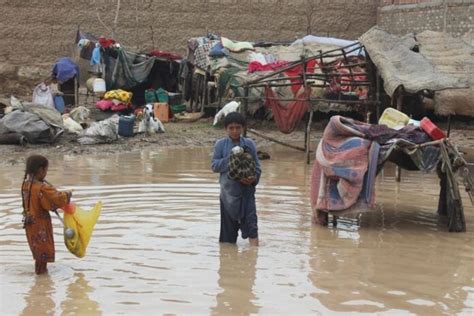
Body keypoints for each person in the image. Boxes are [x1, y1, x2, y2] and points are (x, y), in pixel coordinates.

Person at [211, 112, 261, 246]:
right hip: (228, 196)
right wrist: (232, 158)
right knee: (228, 237)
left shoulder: (249, 144)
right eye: (231, 128)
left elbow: (257, 167)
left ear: (243, 128)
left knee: (252, 228)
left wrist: (253, 179)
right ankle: (228, 260)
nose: (234, 131)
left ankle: (253, 257)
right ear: (226, 129)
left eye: (238, 127)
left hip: (247, 193)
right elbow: (214, 166)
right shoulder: (220, 145)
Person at [21, 155, 72, 274]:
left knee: (38, 253)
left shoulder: (25, 185)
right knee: (43, 253)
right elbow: (55, 200)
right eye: (46, 170)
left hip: (29, 224)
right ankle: (41, 277)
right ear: (41, 170)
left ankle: (40, 278)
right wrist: (67, 195)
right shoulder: (42, 188)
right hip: (40, 225)